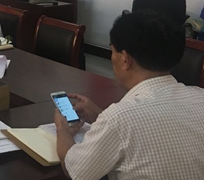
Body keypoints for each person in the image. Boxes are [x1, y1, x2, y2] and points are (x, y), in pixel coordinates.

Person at [54, 12, 204, 180]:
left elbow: (76, 172)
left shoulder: (119, 118)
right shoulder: (200, 96)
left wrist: (62, 130)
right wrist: (101, 116)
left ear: (125, 59)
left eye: (112, 51)